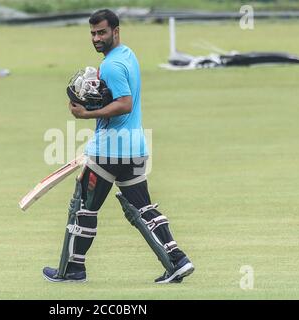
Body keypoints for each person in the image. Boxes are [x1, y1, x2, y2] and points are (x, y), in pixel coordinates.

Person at [43, 9, 194, 284]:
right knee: (144, 209)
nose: (97, 38)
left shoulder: (111, 65)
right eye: (92, 33)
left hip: (108, 151)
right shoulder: (128, 55)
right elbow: (115, 97)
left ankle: (74, 269)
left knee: (84, 209)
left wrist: (85, 113)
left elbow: (124, 103)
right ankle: (178, 260)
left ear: (116, 31)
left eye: (101, 32)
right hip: (134, 149)